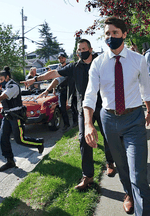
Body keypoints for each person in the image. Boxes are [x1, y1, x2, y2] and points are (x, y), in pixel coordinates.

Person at [22, 38, 115, 188]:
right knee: (83, 140)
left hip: (101, 106)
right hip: (83, 108)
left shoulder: (100, 63)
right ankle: (87, 176)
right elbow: (54, 74)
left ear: (90, 50)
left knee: (107, 135)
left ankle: (110, 162)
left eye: (84, 49)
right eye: (79, 50)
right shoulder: (74, 67)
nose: (81, 52)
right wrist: (36, 79)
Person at [83, 17, 150, 215]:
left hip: (134, 119)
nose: (110, 37)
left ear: (124, 34)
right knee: (122, 165)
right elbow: (89, 95)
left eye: (114, 33)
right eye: (107, 33)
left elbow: (146, 89)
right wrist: (89, 124)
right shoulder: (98, 63)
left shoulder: (138, 60)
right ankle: (128, 193)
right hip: (109, 120)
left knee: (138, 172)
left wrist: (149, 110)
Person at [0, 68, 44, 172]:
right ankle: (10, 161)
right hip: (7, 115)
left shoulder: (13, 86)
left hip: (15, 115)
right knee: (3, 139)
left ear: (7, 77)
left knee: (19, 139)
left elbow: (3, 97)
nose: (0, 81)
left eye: (2, 79)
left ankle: (39, 143)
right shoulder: (3, 86)